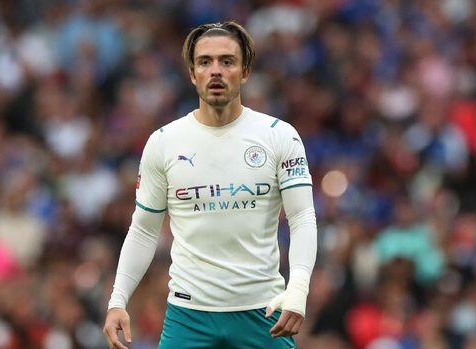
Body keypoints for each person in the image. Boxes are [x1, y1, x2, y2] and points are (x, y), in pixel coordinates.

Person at [103, 21, 317, 349]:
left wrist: (298, 287)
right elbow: (144, 229)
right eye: (205, 62)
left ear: (244, 71)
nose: (215, 70)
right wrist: (118, 299)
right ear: (192, 73)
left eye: (226, 61)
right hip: (189, 317)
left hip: (263, 314)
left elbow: (302, 218)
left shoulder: (279, 136)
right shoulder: (164, 142)